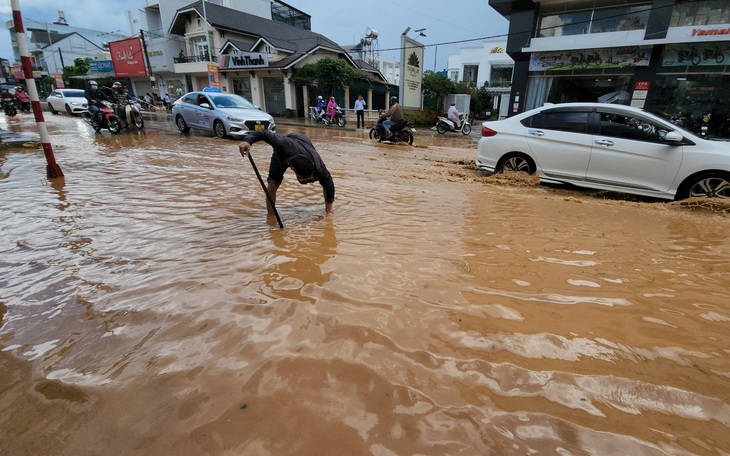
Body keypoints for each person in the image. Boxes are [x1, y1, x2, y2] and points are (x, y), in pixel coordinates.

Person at [238, 130, 335, 216]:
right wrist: (248, 141)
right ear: (293, 169)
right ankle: (271, 215)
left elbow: (329, 185)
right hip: (285, 151)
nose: (307, 181)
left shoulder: (319, 167)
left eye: (309, 179)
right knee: (272, 185)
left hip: (303, 143)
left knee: (325, 181)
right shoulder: (282, 144)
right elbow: (264, 133)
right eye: (303, 179)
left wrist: (329, 211)